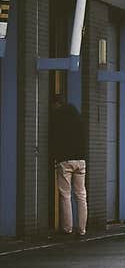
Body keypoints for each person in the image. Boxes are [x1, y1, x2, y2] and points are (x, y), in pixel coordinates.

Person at [49, 94, 88, 237]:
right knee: (81, 195)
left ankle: (67, 228)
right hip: (80, 160)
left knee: (65, 194)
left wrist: (54, 157)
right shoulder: (77, 116)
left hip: (65, 160)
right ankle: (82, 229)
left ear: (56, 104)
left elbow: (54, 139)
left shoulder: (58, 118)